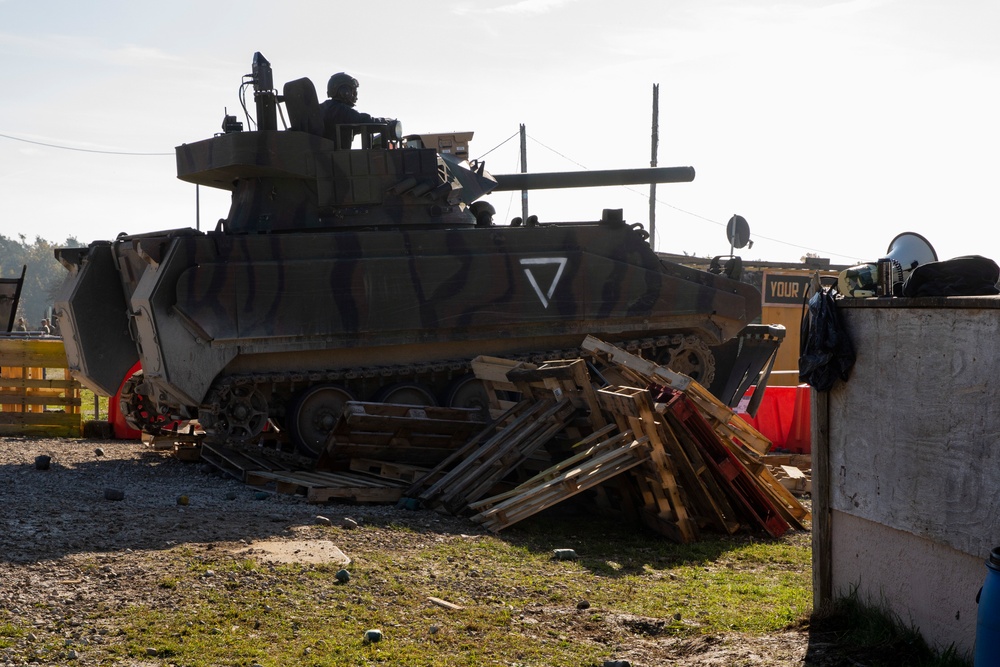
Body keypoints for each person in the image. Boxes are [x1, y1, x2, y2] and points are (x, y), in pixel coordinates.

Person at [319, 73, 391, 148]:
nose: (355, 94)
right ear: (344, 92)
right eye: (353, 91)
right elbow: (363, 121)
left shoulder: (323, 108)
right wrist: (387, 123)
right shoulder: (341, 110)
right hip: (338, 158)